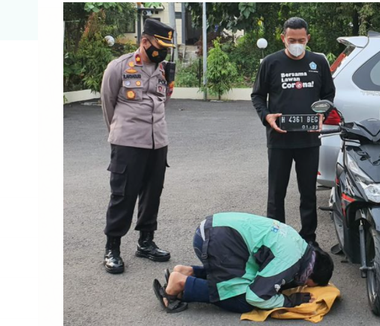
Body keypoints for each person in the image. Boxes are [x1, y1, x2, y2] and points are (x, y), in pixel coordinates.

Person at [100, 19, 176, 274]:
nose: (163, 50)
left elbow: (162, 101)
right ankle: (112, 248)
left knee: (152, 193)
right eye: (160, 45)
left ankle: (146, 242)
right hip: (128, 143)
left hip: (158, 142)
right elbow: (108, 103)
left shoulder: (163, 69)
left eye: (167, 46)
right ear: (145, 42)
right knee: (123, 195)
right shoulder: (119, 67)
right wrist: (121, 131)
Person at [251, 17, 336, 246]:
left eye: (301, 39)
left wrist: (323, 114)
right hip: (279, 139)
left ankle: (308, 239)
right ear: (283, 39)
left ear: (308, 38)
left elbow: (328, 94)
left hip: (309, 140)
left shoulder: (318, 62)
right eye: (291, 40)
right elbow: (257, 95)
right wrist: (266, 116)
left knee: (308, 194)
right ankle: (277, 241)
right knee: (276, 195)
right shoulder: (270, 63)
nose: (296, 44)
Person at [152, 212, 334, 313]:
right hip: (214, 241)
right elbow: (256, 296)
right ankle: (180, 283)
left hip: (214, 229)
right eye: (310, 285)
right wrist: (287, 301)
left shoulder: (299, 245)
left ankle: (188, 271)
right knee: (242, 300)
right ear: (311, 274)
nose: (305, 286)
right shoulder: (290, 261)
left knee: (250, 281)